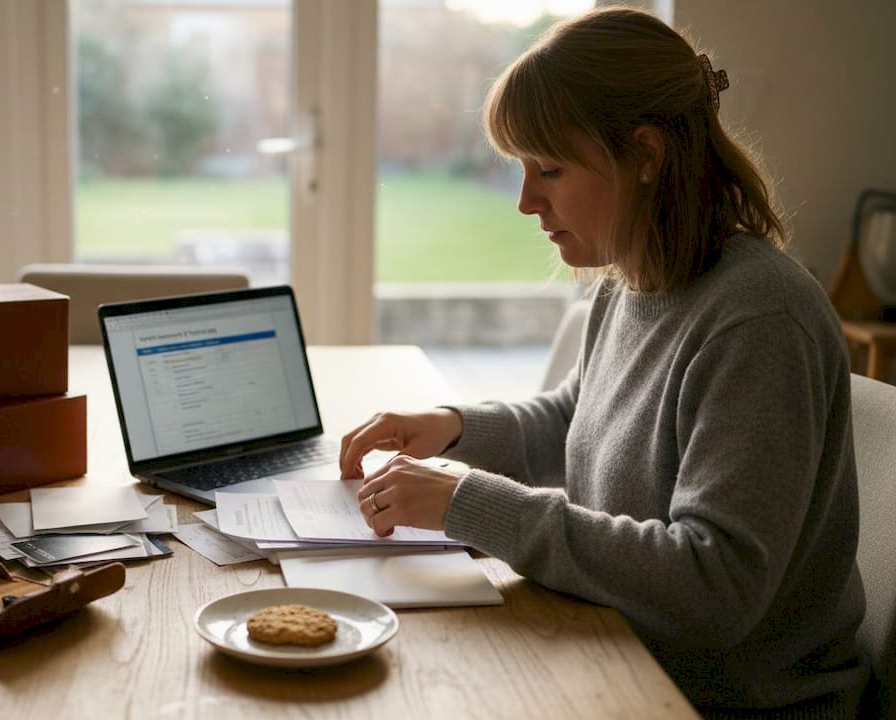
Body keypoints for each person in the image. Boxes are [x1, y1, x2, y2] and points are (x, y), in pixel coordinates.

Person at [339, 7, 867, 718]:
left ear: (645, 155)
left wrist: (469, 503)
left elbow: (716, 583)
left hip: (726, 701)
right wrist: (450, 427)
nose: (526, 201)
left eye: (549, 168)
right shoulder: (633, 279)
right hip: (619, 652)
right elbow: (576, 418)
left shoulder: (758, 319)